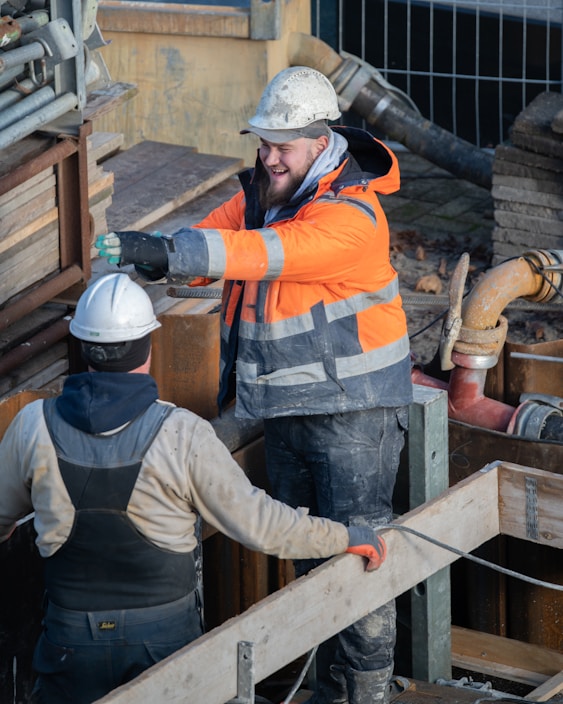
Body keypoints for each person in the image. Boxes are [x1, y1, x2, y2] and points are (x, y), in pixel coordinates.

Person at [95, 65, 413, 704]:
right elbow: (213, 239)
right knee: (311, 559)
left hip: (355, 416)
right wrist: (158, 252)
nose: (269, 157)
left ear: (321, 142)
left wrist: (170, 253)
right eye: (264, 143)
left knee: (361, 559)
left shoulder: (351, 217)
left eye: (283, 147)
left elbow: (263, 253)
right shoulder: (268, 190)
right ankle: (329, 688)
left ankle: (369, 692)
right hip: (286, 407)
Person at [0, 273, 386, 704]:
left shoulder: (32, 425)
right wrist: (344, 537)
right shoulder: (182, 433)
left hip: (71, 643)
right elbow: (261, 526)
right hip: (163, 644)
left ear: (84, 346)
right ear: (148, 346)